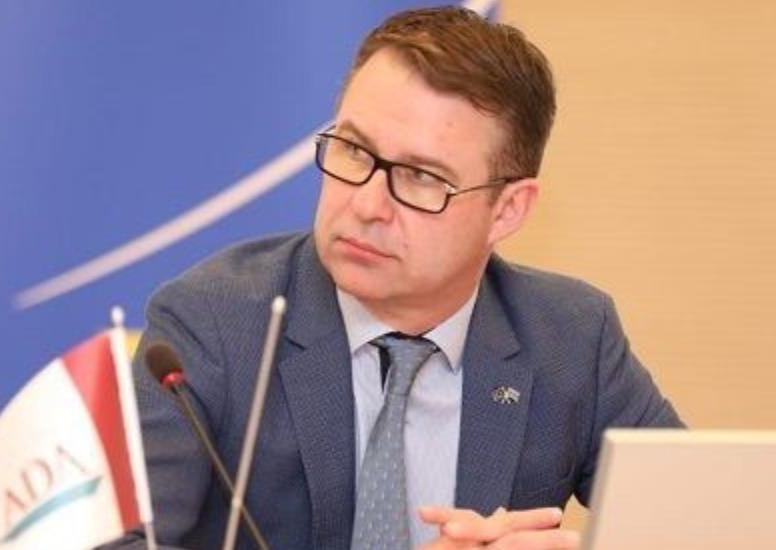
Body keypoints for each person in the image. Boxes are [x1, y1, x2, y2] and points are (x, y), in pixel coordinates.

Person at [109, 6, 682, 550]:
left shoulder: (570, 338)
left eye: (421, 177)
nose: (366, 205)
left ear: (507, 210)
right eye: (355, 150)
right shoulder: (214, 322)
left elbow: (704, 525)